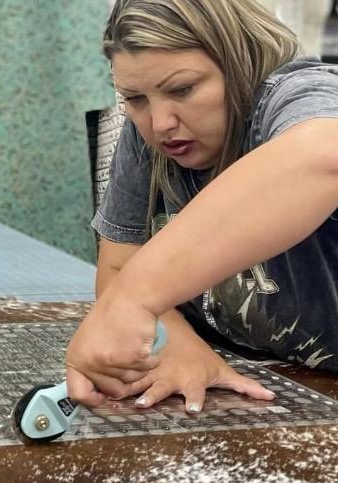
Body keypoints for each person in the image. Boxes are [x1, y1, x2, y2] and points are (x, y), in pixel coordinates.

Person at [67, 0, 338, 413]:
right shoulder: (147, 136)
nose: (160, 123)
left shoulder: (301, 92)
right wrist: (177, 345)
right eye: (135, 98)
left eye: (182, 90)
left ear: (239, 62)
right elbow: (119, 267)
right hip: (265, 379)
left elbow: (325, 154)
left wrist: (133, 299)